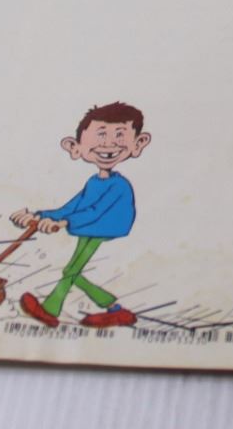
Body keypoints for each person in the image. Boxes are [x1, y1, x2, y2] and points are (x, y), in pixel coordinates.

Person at [13, 102, 152, 329]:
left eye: (119, 135)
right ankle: (115, 309)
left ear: (138, 144)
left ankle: (51, 309)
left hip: (104, 226)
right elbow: (72, 206)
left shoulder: (119, 185)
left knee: (71, 270)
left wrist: (65, 222)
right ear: (75, 147)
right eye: (100, 135)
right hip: (89, 226)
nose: (108, 144)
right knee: (72, 270)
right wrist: (37, 215)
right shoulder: (94, 182)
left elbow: (95, 211)